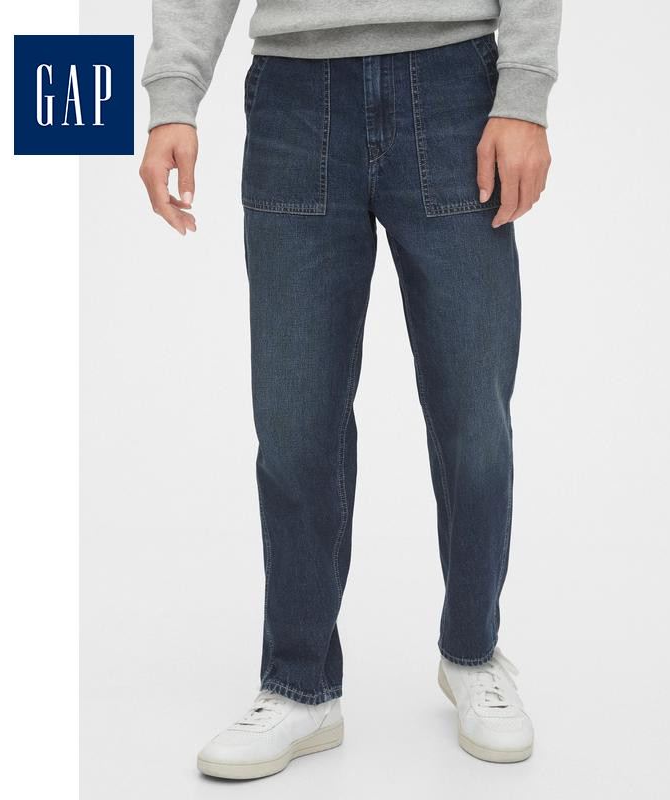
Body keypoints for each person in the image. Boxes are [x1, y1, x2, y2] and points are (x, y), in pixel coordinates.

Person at [140, 0, 561, 780]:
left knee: (473, 413)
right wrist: (174, 95)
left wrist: (525, 94)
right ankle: (298, 686)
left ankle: (473, 654)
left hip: (453, 86)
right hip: (294, 98)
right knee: (295, 422)